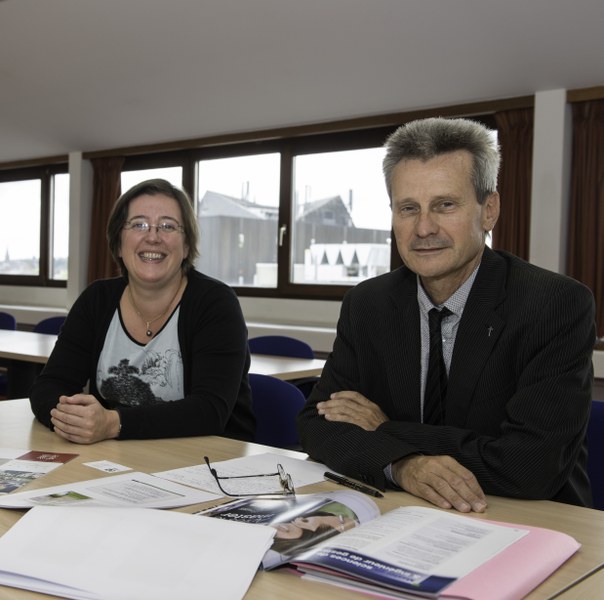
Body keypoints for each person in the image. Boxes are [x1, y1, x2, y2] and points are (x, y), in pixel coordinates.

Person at [297, 117, 595, 512]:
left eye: (445, 205)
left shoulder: (553, 304)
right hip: (403, 511)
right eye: (408, 208)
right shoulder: (367, 304)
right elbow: (317, 427)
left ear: (489, 211)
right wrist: (402, 464)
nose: (423, 228)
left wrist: (385, 430)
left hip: (534, 520)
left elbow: (529, 466)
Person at [30, 178, 255, 444]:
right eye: (138, 224)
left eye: (168, 226)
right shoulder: (97, 299)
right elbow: (50, 385)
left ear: (186, 246)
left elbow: (210, 410)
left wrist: (113, 423)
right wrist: (74, 420)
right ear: (118, 243)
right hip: (119, 457)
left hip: (209, 461)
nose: (152, 236)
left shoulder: (215, 302)